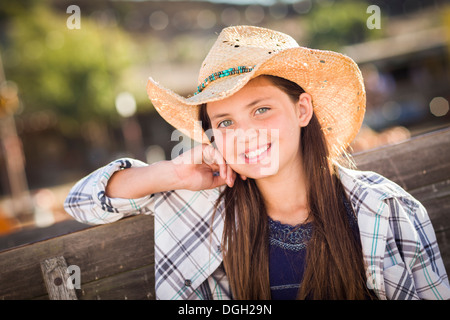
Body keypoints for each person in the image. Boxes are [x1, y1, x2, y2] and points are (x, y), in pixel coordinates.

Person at [64, 25, 449, 300]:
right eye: (225, 122)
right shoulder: (199, 208)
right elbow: (80, 202)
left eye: (261, 109)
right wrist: (175, 171)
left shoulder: (384, 209)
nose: (244, 133)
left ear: (302, 110)